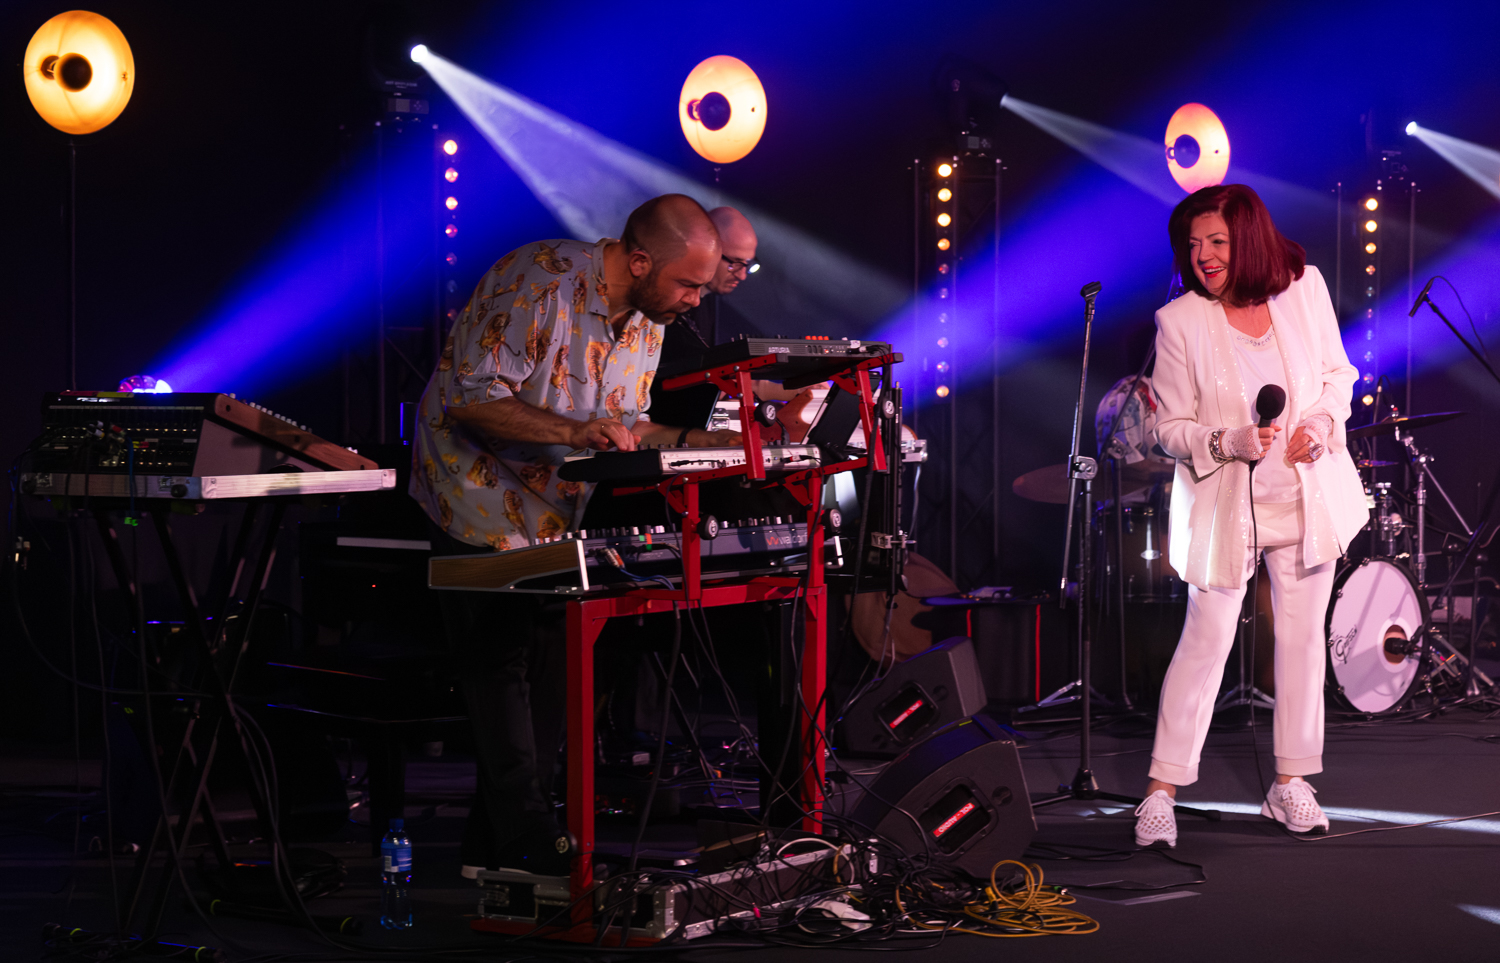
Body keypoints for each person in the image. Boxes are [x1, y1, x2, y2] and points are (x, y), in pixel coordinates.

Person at [409, 193, 737, 877]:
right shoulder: (538, 281)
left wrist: (706, 443)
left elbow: (628, 424)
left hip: (555, 510)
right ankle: (530, 838)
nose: (695, 301)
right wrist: (573, 430)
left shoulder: (647, 319)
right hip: (474, 495)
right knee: (500, 663)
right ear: (640, 261)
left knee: (559, 664)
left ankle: (497, 848)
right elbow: (471, 397)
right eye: (688, 284)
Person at [1133, 184, 1368, 848]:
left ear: (1250, 240)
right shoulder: (1180, 320)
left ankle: (1291, 782)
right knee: (1207, 639)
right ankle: (1160, 791)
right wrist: (1226, 441)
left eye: (1217, 241)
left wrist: (1320, 426)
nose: (1203, 256)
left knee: (1302, 640)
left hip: (1305, 497)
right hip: (1225, 506)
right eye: (1193, 245)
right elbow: (1167, 429)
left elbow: (1337, 376)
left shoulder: (1303, 288)